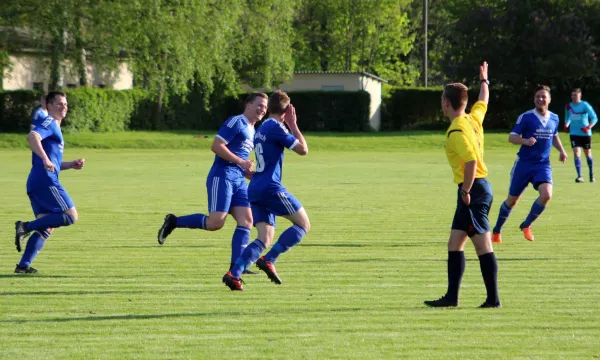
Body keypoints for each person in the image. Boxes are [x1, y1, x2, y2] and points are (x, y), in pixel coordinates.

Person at [157, 93, 268, 274]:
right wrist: (240, 162)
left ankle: (237, 267)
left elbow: (239, 156)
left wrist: (246, 171)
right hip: (222, 176)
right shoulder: (236, 122)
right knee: (215, 223)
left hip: (238, 179)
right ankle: (174, 221)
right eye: (260, 105)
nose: (263, 109)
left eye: (265, 107)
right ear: (248, 104)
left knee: (247, 221)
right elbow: (216, 146)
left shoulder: (253, 129)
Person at [424, 62, 500, 308]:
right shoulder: (472, 119)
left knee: (483, 245)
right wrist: (484, 80)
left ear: (446, 102)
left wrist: (465, 190)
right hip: (476, 188)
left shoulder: (456, 130)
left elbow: (470, 160)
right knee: (455, 243)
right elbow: (484, 100)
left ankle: (493, 300)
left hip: (473, 189)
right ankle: (452, 298)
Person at [223, 90, 310, 291]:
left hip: (255, 188)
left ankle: (233, 274)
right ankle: (269, 260)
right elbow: (303, 150)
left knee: (264, 237)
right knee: (303, 224)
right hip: (270, 187)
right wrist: (293, 124)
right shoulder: (276, 127)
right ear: (287, 110)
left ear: (269, 107)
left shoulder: (262, 127)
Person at [14, 91, 85, 274]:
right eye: (59, 104)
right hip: (45, 180)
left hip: (37, 181)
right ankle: (25, 227)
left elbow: (53, 164)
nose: (64, 107)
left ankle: (23, 266)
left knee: (47, 226)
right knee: (71, 216)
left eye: (66, 104)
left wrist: (71, 165)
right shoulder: (49, 122)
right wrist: (45, 159)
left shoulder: (56, 127)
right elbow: (32, 137)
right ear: (49, 106)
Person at [491, 85, 568, 243]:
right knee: (512, 200)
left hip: (543, 165)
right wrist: (525, 141)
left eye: (543, 96)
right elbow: (512, 137)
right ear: (534, 99)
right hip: (524, 164)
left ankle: (526, 225)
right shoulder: (526, 117)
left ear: (549, 99)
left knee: (546, 195)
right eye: (537, 96)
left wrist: (562, 150)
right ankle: (497, 231)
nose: (540, 99)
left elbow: (554, 135)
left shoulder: (554, 118)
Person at [564, 88, 597, 183]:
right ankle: (580, 176)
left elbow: (594, 118)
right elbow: (568, 118)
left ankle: (591, 175)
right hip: (574, 133)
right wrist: (566, 124)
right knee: (576, 153)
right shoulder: (568, 106)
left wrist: (588, 127)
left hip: (585, 134)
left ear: (580, 96)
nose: (573, 97)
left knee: (588, 154)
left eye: (575, 95)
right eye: (572, 95)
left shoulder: (585, 105)